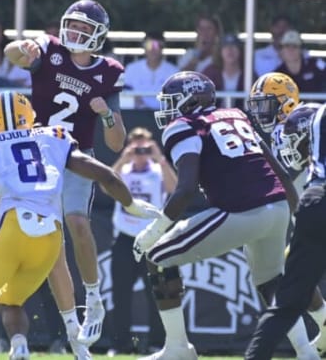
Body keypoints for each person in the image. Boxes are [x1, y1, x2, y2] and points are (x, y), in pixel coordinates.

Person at [0, 90, 160, 360]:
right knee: (10, 300)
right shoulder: (53, 137)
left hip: (13, 227)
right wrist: (131, 205)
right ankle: (20, 346)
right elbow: (106, 175)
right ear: (31, 118)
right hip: (49, 238)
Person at [131, 71, 311, 360]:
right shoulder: (236, 115)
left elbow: (185, 189)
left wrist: (154, 230)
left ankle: (178, 348)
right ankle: (306, 352)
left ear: (190, 100)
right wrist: (296, 215)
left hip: (241, 210)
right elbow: (279, 172)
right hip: (276, 208)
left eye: (172, 101)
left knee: (157, 257)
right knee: (270, 281)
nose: (167, 109)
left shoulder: (184, 126)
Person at [4, 0, 127, 358]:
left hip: (75, 157)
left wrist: (105, 114)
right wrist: (20, 46)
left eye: (82, 28)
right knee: (52, 248)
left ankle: (93, 295)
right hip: (37, 156)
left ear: (97, 35)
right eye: (71, 25)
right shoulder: (50, 50)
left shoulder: (108, 72)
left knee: (76, 221)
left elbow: (116, 142)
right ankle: (74, 332)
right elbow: (14, 54)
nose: (73, 32)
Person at [247, 72, 326, 354]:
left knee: (280, 277)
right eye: (256, 105)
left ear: (286, 102)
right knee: (290, 274)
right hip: (310, 205)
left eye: (265, 104)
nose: (259, 112)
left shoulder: (298, 121)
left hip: (311, 206)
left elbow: (283, 175)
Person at [107, 127, 177, 356]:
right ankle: (120, 344)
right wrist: (123, 158)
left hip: (152, 239)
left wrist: (160, 158)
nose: (140, 153)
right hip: (125, 239)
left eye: (145, 148)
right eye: (136, 148)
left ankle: (158, 343)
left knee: (158, 293)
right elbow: (104, 185)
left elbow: (174, 189)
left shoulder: (158, 171)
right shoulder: (123, 171)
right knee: (120, 294)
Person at [123, 31, 179, 110]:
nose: (153, 49)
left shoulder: (173, 72)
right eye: (149, 45)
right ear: (144, 47)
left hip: (164, 117)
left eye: (157, 45)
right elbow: (125, 93)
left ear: (162, 47)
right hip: (136, 116)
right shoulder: (131, 69)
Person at [202, 33, 251, 109]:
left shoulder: (249, 74)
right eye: (225, 47)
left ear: (240, 51)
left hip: (242, 118)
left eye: (234, 46)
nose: (230, 50)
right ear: (220, 51)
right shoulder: (210, 73)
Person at [274, 29, 326, 93]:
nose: (291, 50)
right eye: (287, 46)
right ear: (281, 51)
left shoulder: (315, 65)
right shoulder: (277, 75)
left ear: (301, 50)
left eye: (295, 46)